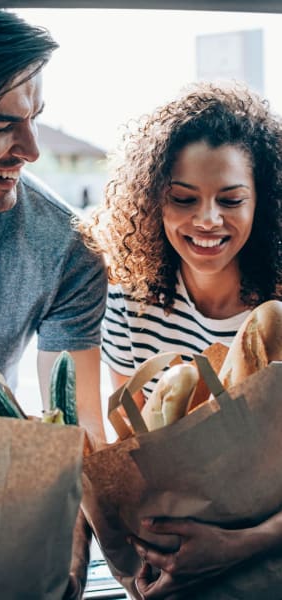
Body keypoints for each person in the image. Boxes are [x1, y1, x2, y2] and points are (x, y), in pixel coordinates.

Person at [82, 81, 282, 597]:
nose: (207, 219)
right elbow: (133, 457)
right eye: (183, 198)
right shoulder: (129, 306)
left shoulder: (277, 315)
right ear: (154, 202)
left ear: (264, 201)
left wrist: (240, 545)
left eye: (231, 199)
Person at [0, 9, 107, 599]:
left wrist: (67, 558)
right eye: (0, 125)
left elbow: (75, 434)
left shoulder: (67, 250)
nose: (30, 149)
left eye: (35, 119)